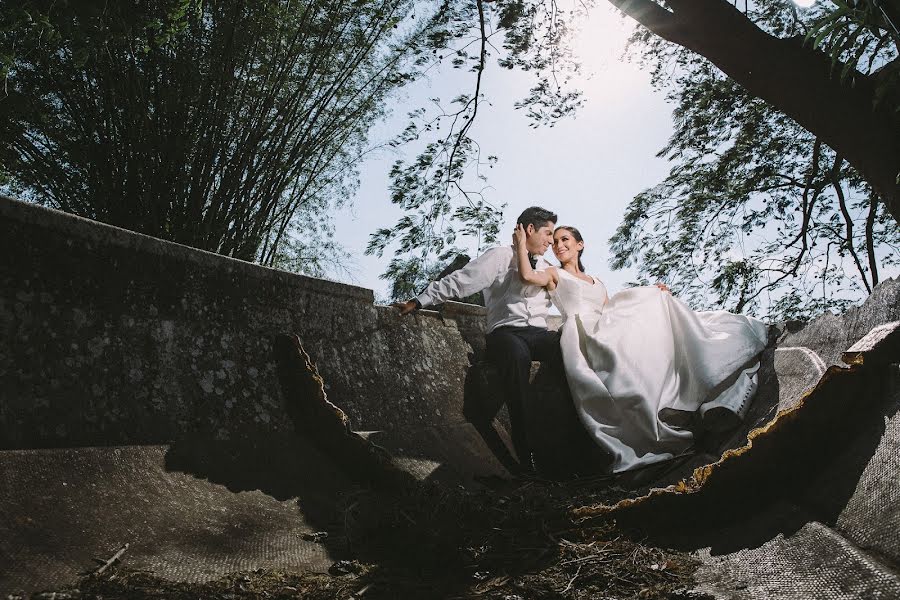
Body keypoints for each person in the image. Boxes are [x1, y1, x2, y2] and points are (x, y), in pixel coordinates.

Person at [512, 224, 768, 473]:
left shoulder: (597, 281)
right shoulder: (555, 274)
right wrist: (522, 245)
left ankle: (706, 392)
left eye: (565, 239)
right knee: (625, 352)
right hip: (582, 332)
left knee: (656, 307)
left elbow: (609, 308)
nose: (558, 245)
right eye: (555, 242)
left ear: (580, 245)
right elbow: (527, 276)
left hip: (604, 324)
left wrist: (653, 293)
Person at [395, 207, 563, 470]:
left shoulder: (548, 268)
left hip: (539, 334)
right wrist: (420, 301)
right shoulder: (500, 256)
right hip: (506, 333)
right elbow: (462, 281)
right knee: (517, 357)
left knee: (567, 347)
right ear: (529, 229)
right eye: (548, 234)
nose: (551, 241)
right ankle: (526, 455)